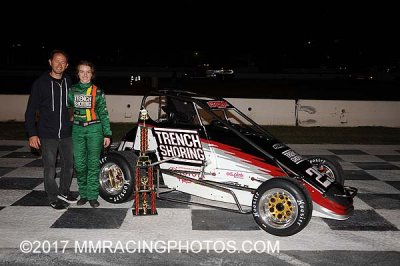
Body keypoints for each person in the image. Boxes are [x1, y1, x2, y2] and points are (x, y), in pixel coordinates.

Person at [25, 49, 77, 210]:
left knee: (69, 165)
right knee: (50, 168)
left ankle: (64, 191)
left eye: (63, 62)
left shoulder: (68, 81)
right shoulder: (40, 83)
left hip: (67, 133)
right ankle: (53, 197)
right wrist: (32, 133)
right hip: (47, 134)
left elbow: (73, 105)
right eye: (56, 61)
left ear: (67, 65)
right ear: (50, 62)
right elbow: (30, 111)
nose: (59, 64)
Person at [68, 60, 112, 208]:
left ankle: (93, 196)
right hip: (77, 130)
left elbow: (103, 113)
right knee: (80, 165)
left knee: (93, 164)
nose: (85, 75)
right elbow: (64, 109)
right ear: (77, 73)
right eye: (82, 71)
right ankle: (84, 194)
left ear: (92, 74)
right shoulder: (71, 90)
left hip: (95, 130)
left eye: (88, 72)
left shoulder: (97, 92)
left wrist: (107, 134)